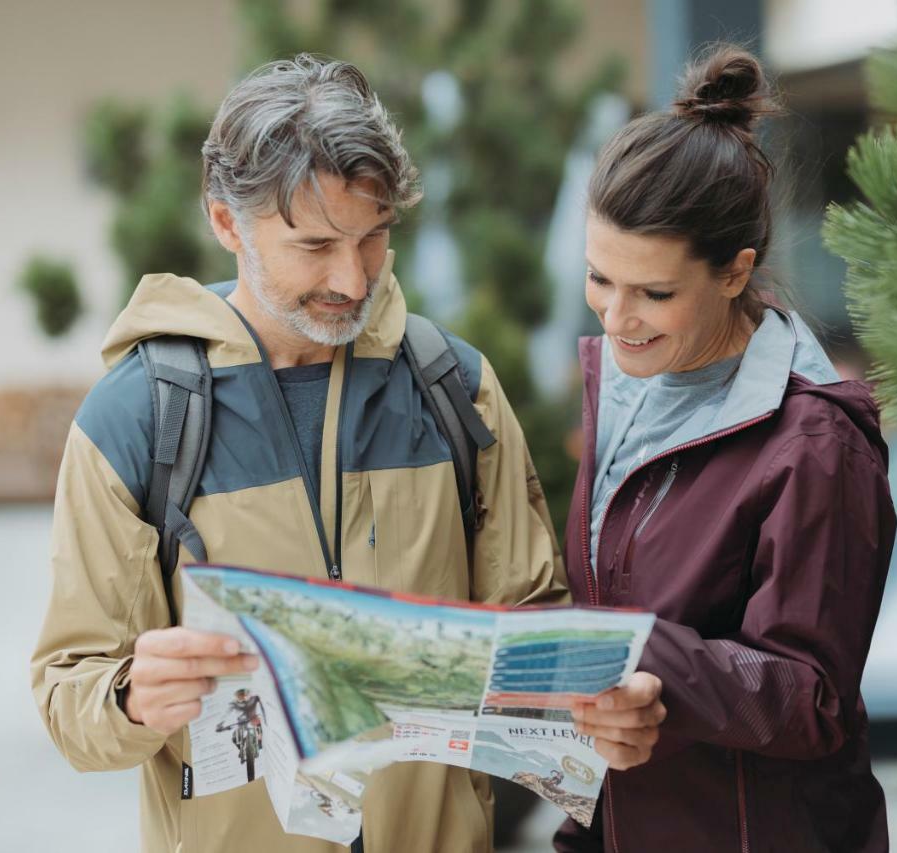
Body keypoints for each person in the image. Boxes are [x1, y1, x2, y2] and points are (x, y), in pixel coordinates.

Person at [30, 54, 566, 853]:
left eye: (374, 237)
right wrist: (133, 694)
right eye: (315, 244)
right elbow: (70, 694)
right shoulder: (134, 418)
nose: (352, 278)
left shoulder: (459, 390)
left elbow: (538, 631)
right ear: (225, 222)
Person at [556, 46, 896, 852]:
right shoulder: (622, 389)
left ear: (736, 271)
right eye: (599, 278)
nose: (616, 315)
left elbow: (813, 698)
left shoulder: (815, 444)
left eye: (655, 292)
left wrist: (637, 651)